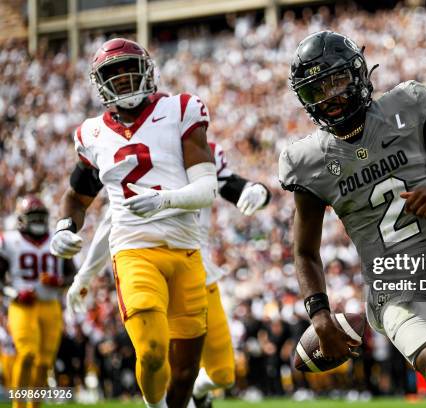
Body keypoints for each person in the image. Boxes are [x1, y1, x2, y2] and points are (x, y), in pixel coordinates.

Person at [279, 31, 426, 408]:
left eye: (337, 81)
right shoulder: (308, 162)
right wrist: (319, 313)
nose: (330, 97)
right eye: (317, 91)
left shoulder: (404, 110)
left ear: (357, 75)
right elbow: (305, 252)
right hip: (396, 289)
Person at [50, 38, 218, 408]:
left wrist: (165, 200)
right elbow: (77, 197)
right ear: (100, 82)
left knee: (186, 373)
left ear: (147, 70)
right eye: (113, 72)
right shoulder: (92, 133)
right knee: (153, 350)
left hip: (187, 251)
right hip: (134, 250)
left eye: (128, 68)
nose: (123, 78)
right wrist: (64, 227)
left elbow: (208, 188)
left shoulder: (181, 108)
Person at [65, 141, 271, 408]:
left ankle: (196, 392)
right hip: (151, 265)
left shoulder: (197, 150)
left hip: (197, 269)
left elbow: (231, 184)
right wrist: (85, 276)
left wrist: (258, 191)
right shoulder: (141, 159)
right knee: (157, 355)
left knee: (222, 374)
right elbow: (110, 225)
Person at [0, 195, 75, 408]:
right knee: (27, 355)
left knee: (44, 363)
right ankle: (19, 405)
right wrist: (15, 293)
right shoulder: (10, 240)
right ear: (22, 218)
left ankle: (35, 406)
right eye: (33, 216)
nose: (38, 221)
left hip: (51, 306)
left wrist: (59, 281)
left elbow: (72, 275)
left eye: (41, 216)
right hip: (23, 306)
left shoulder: (57, 239)